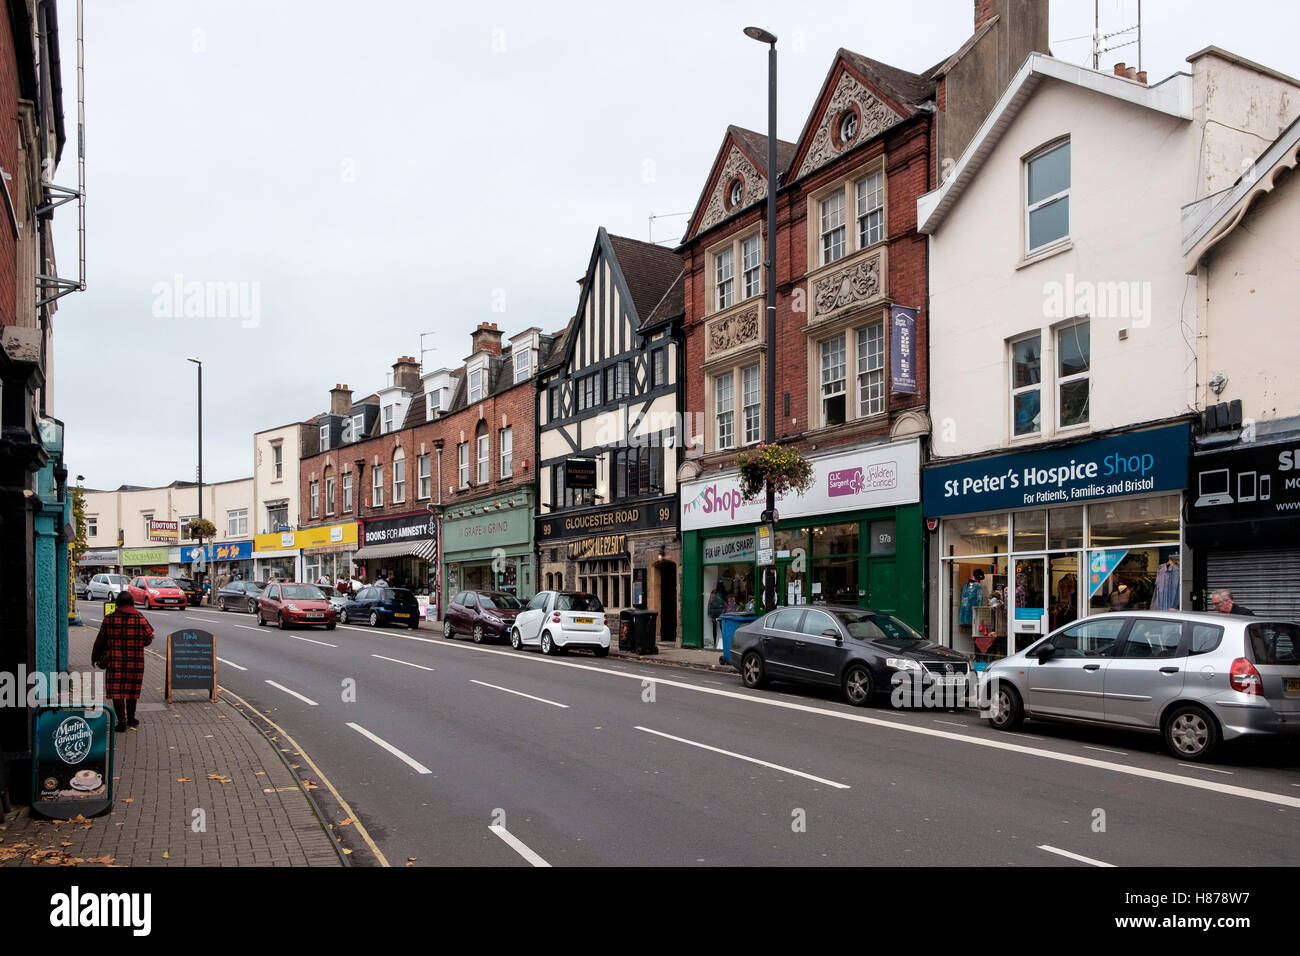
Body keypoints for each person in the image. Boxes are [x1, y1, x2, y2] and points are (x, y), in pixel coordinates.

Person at [91, 590, 154, 732]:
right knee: (132, 689)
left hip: (115, 661)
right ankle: (131, 718)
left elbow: (100, 641)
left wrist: (95, 657)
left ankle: (122, 722)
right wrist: (137, 644)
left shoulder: (109, 619)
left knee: (116, 691)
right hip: (136, 661)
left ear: (117, 603)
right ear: (132, 603)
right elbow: (149, 638)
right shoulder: (139, 617)